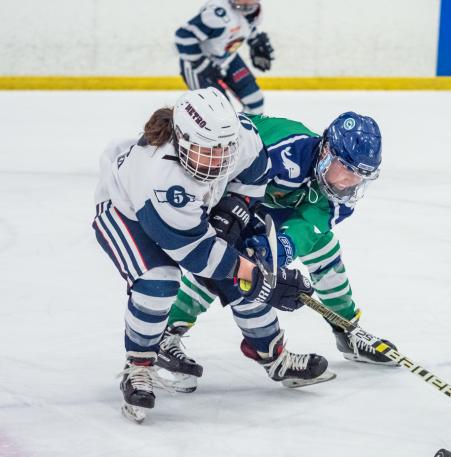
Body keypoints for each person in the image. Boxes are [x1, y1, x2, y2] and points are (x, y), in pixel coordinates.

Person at [93, 87, 327, 423]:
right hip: (125, 211)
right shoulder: (162, 177)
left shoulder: (240, 138)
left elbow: (255, 171)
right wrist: (260, 279)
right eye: (206, 151)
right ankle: (139, 365)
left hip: (192, 208)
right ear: (183, 140)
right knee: (159, 281)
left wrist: (236, 209)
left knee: (248, 259)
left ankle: (272, 354)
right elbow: (198, 255)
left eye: (224, 151)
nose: (218, 160)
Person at [157, 111, 399, 393]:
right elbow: (226, 170)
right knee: (230, 261)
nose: (351, 180)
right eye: (346, 168)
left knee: (323, 248)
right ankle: (170, 331)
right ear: (325, 151)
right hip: (221, 187)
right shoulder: (286, 148)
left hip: (262, 205)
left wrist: (281, 248)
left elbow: (309, 227)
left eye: (361, 175)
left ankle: (347, 329)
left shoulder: (341, 195)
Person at [175, 0, 273, 114]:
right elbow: (183, 36)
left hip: (228, 59)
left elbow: (247, 25)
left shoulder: (256, 11)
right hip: (197, 66)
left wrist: (254, 40)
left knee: (255, 101)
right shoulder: (217, 14)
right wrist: (202, 65)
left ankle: (247, 131)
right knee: (220, 112)